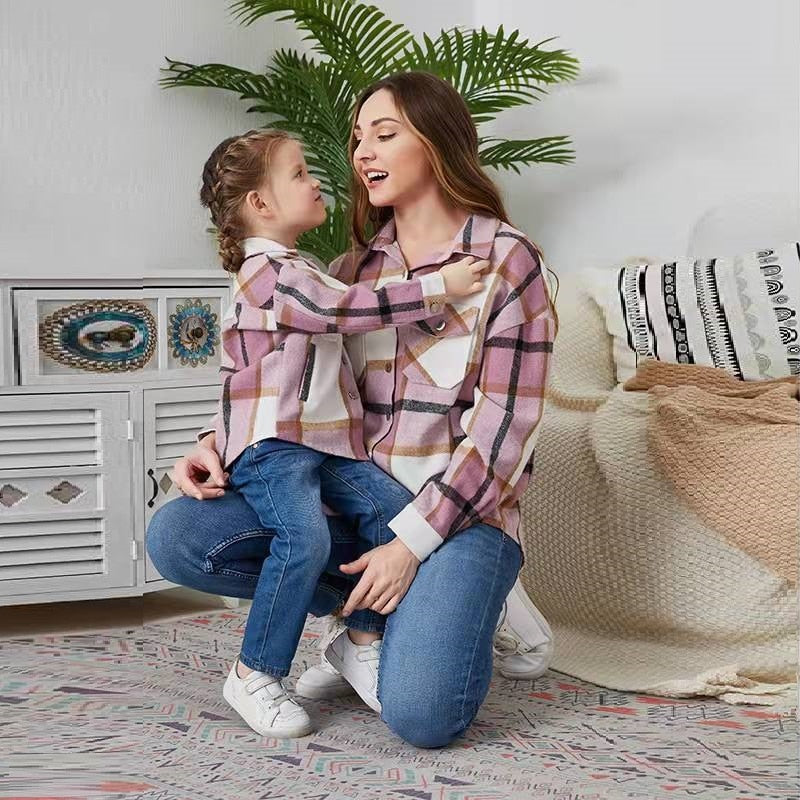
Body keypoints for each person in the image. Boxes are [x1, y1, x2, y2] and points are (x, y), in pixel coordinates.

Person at [148, 70, 558, 748]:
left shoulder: (508, 262)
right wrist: (215, 442)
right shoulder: (348, 272)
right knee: (181, 535)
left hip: (458, 519)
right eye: (357, 139)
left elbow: (505, 436)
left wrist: (409, 546)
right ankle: (361, 628)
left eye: (384, 134)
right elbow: (290, 377)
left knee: (423, 715)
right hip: (357, 502)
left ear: (438, 143)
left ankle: (446, 606)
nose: (362, 152)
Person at [195, 128, 489, 737]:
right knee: (302, 540)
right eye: (299, 173)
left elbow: (344, 305)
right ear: (261, 205)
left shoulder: (302, 268)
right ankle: (254, 671)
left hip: (322, 441)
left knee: (391, 514)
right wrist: (439, 287)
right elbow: (347, 308)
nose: (317, 180)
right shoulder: (267, 274)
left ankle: (360, 638)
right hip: (274, 446)